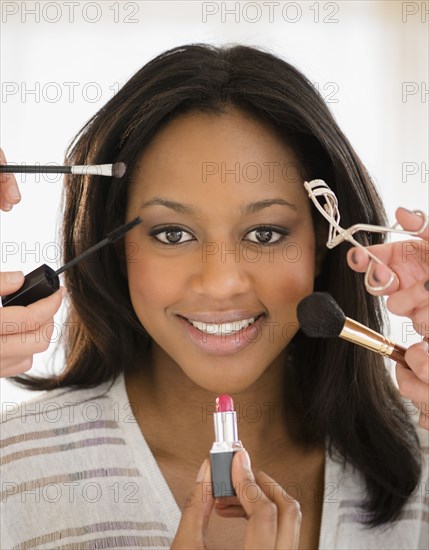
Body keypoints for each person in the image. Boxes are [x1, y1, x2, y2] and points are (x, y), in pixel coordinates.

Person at [0, 44, 427, 549]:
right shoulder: (13, 474)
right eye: (173, 234)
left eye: (265, 234)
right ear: (115, 248)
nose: (221, 282)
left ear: (324, 245)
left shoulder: (420, 457)